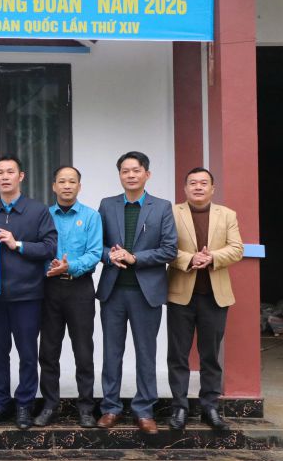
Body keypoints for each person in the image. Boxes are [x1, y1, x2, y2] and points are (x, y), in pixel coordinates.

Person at [96, 151, 177, 435]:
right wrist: (111, 255)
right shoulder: (107, 205)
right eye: (125, 171)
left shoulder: (163, 207)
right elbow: (97, 245)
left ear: (147, 174)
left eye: (136, 170)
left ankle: (145, 410)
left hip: (147, 293)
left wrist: (135, 258)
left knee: (146, 353)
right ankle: (110, 407)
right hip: (113, 291)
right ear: (119, 175)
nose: (130, 175)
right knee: (111, 352)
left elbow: (169, 249)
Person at [0, 154, 57, 430]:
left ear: (21, 176)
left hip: (28, 295)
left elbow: (49, 247)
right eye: (0, 172)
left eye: (10, 171)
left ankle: (24, 405)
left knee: (26, 353)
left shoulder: (38, 211)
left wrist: (18, 244)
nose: (4, 176)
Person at [167, 167, 244, 431]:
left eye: (203, 183)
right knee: (177, 354)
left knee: (210, 354)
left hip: (214, 296)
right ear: (185, 188)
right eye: (192, 183)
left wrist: (212, 257)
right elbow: (165, 247)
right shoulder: (172, 213)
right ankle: (179, 407)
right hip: (181, 294)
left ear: (213, 188)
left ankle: (210, 407)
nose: (198, 187)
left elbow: (237, 248)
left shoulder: (227, 215)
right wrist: (190, 258)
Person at [34, 166, 102, 428]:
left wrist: (70, 267)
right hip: (49, 289)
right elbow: (38, 249)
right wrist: (51, 269)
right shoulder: (44, 215)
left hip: (80, 288)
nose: (67, 186)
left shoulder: (91, 216)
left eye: (72, 182)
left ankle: (86, 407)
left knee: (83, 351)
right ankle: (50, 405)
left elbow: (95, 253)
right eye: (61, 181)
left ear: (79, 186)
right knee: (48, 351)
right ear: (53, 186)